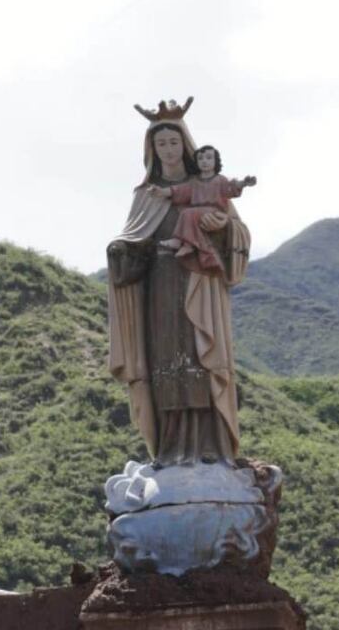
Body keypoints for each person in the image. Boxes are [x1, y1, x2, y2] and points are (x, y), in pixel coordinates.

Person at [106, 98, 252, 468]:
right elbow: (132, 241)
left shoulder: (204, 185)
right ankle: (171, 448)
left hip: (199, 281)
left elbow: (237, 229)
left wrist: (218, 227)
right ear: (151, 150)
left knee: (201, 356)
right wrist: (120, 250)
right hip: (160, 286)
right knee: (166, 359)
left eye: (173, 142)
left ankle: (211, 445)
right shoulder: (146, 195)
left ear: (184, 145)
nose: (168, 150)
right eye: (160, 144)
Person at [150, 145, 257, 276]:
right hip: (197, 212)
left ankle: (183, 242)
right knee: (188, 213)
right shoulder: (194, 182)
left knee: (188, 213)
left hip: (214, 211)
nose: (204, 161)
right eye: (200, 159)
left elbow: (231, 187)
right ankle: (189, 246)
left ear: (215, 161)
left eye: (208, 158)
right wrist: (161, 191)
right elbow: (178, 190)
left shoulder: (220, 180)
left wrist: (244, 183)